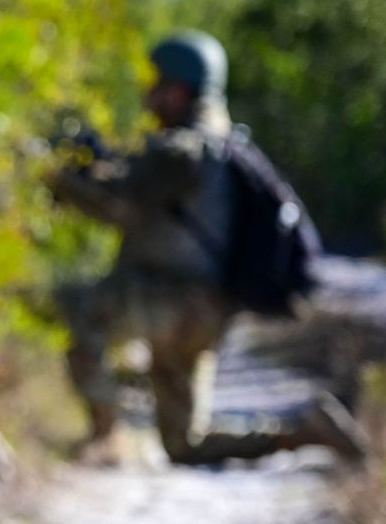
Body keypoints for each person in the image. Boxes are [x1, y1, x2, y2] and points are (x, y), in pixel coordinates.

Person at [52, 29, 364, 466]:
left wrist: (59, 177)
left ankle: (107, 435)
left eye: (155, 85)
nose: (148, 95)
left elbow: (118, 206)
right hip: (209, 310)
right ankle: (302, 432)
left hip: (173, 300)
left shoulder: (183, 149)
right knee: (184, 445)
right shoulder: (226, 145)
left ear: (177, 91)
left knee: (75, 308)